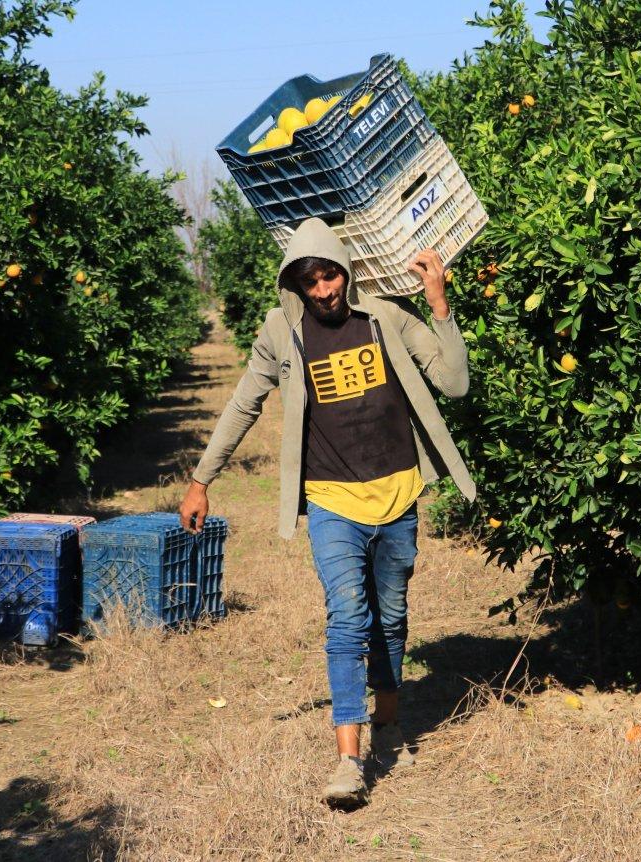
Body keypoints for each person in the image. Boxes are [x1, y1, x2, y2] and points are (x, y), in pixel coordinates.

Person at [179, 217, 475, 810]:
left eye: (330, 275)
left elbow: (455, 383)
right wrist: (200, 479)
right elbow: (243, 403)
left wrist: (439, 304)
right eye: (310, 281)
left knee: (390, 619)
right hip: (332, 499)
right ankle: (349, 759)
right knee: (347, 618)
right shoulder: (280, 331)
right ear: (295, 282)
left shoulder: (385, 315)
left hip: (398, 494)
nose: (323, 291)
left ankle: (389, 727)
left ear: (345, 269)